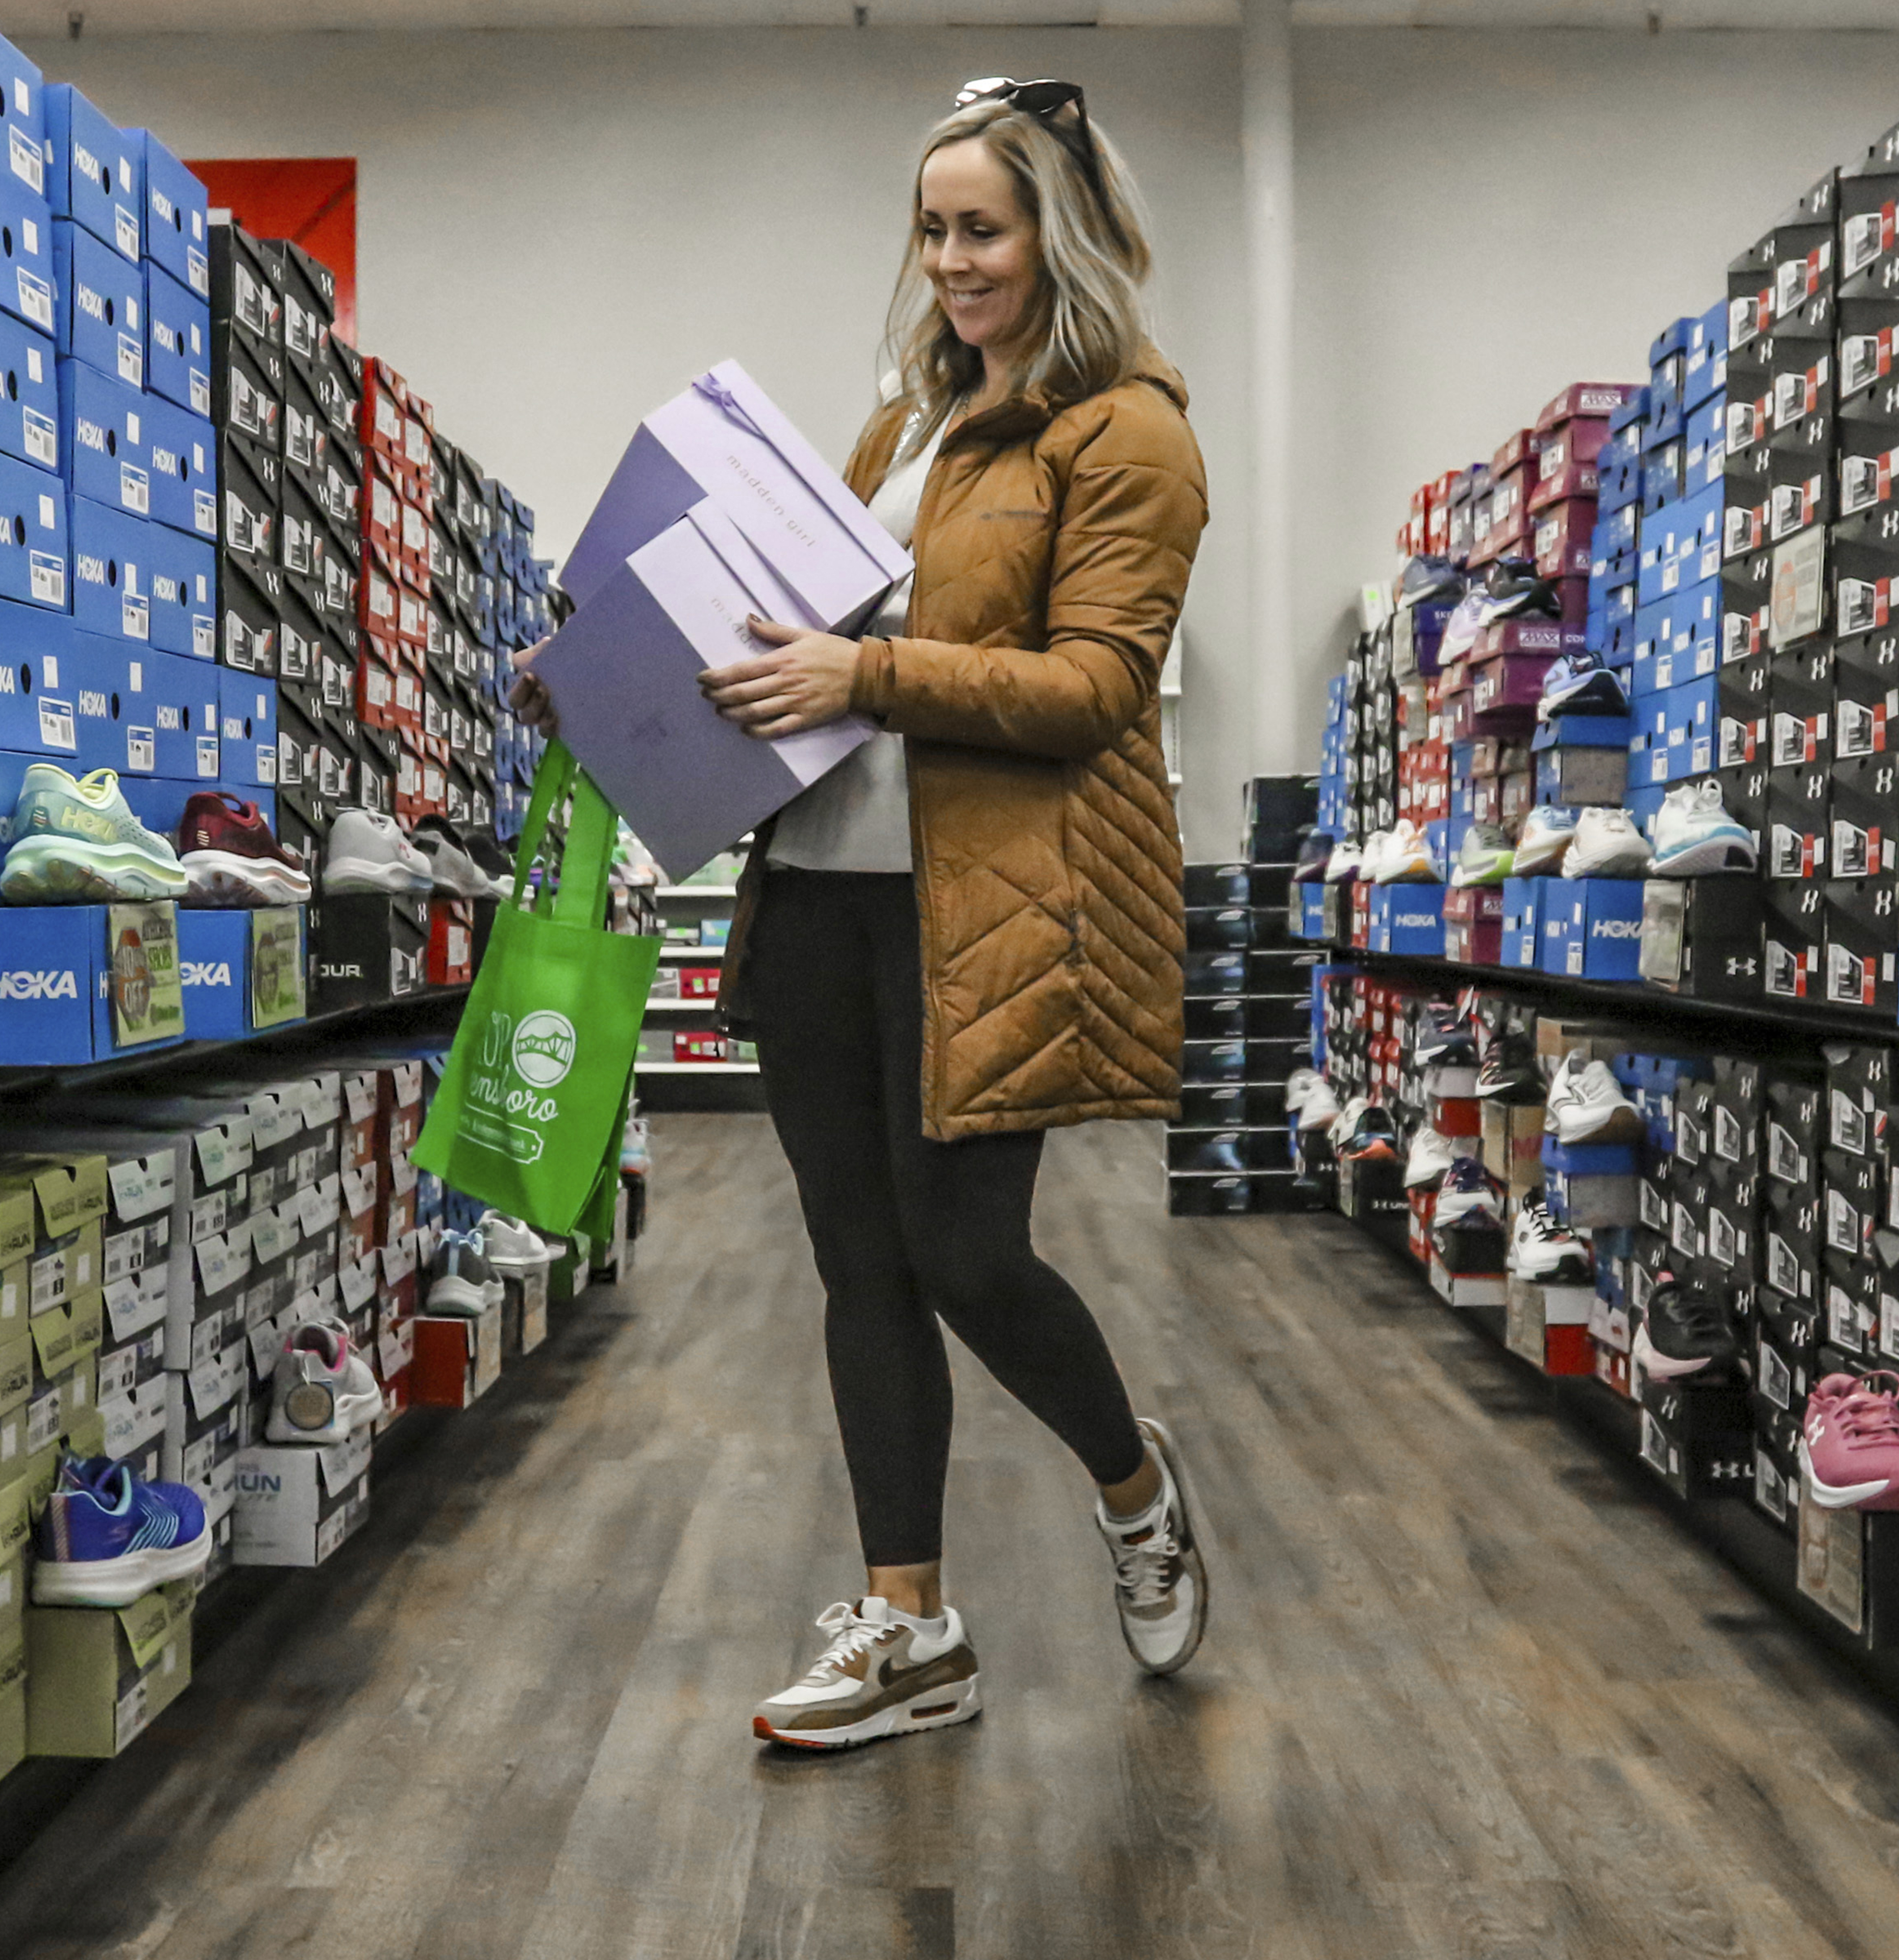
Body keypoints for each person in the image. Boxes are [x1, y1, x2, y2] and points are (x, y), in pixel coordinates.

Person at [512, 76, 1208, 1750]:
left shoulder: (1129, 434)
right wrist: (612, 669)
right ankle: (912, 1629)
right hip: (819, 889)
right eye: (933, 229)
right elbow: (790, 635)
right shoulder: (907, 426)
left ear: (1067, 235)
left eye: (982, 228)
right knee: (858, 1264)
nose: (951, 261)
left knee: (968, 1253)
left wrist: (871, 670)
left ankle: (1133, 1487)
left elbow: (1099, 687)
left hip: (984, 911)